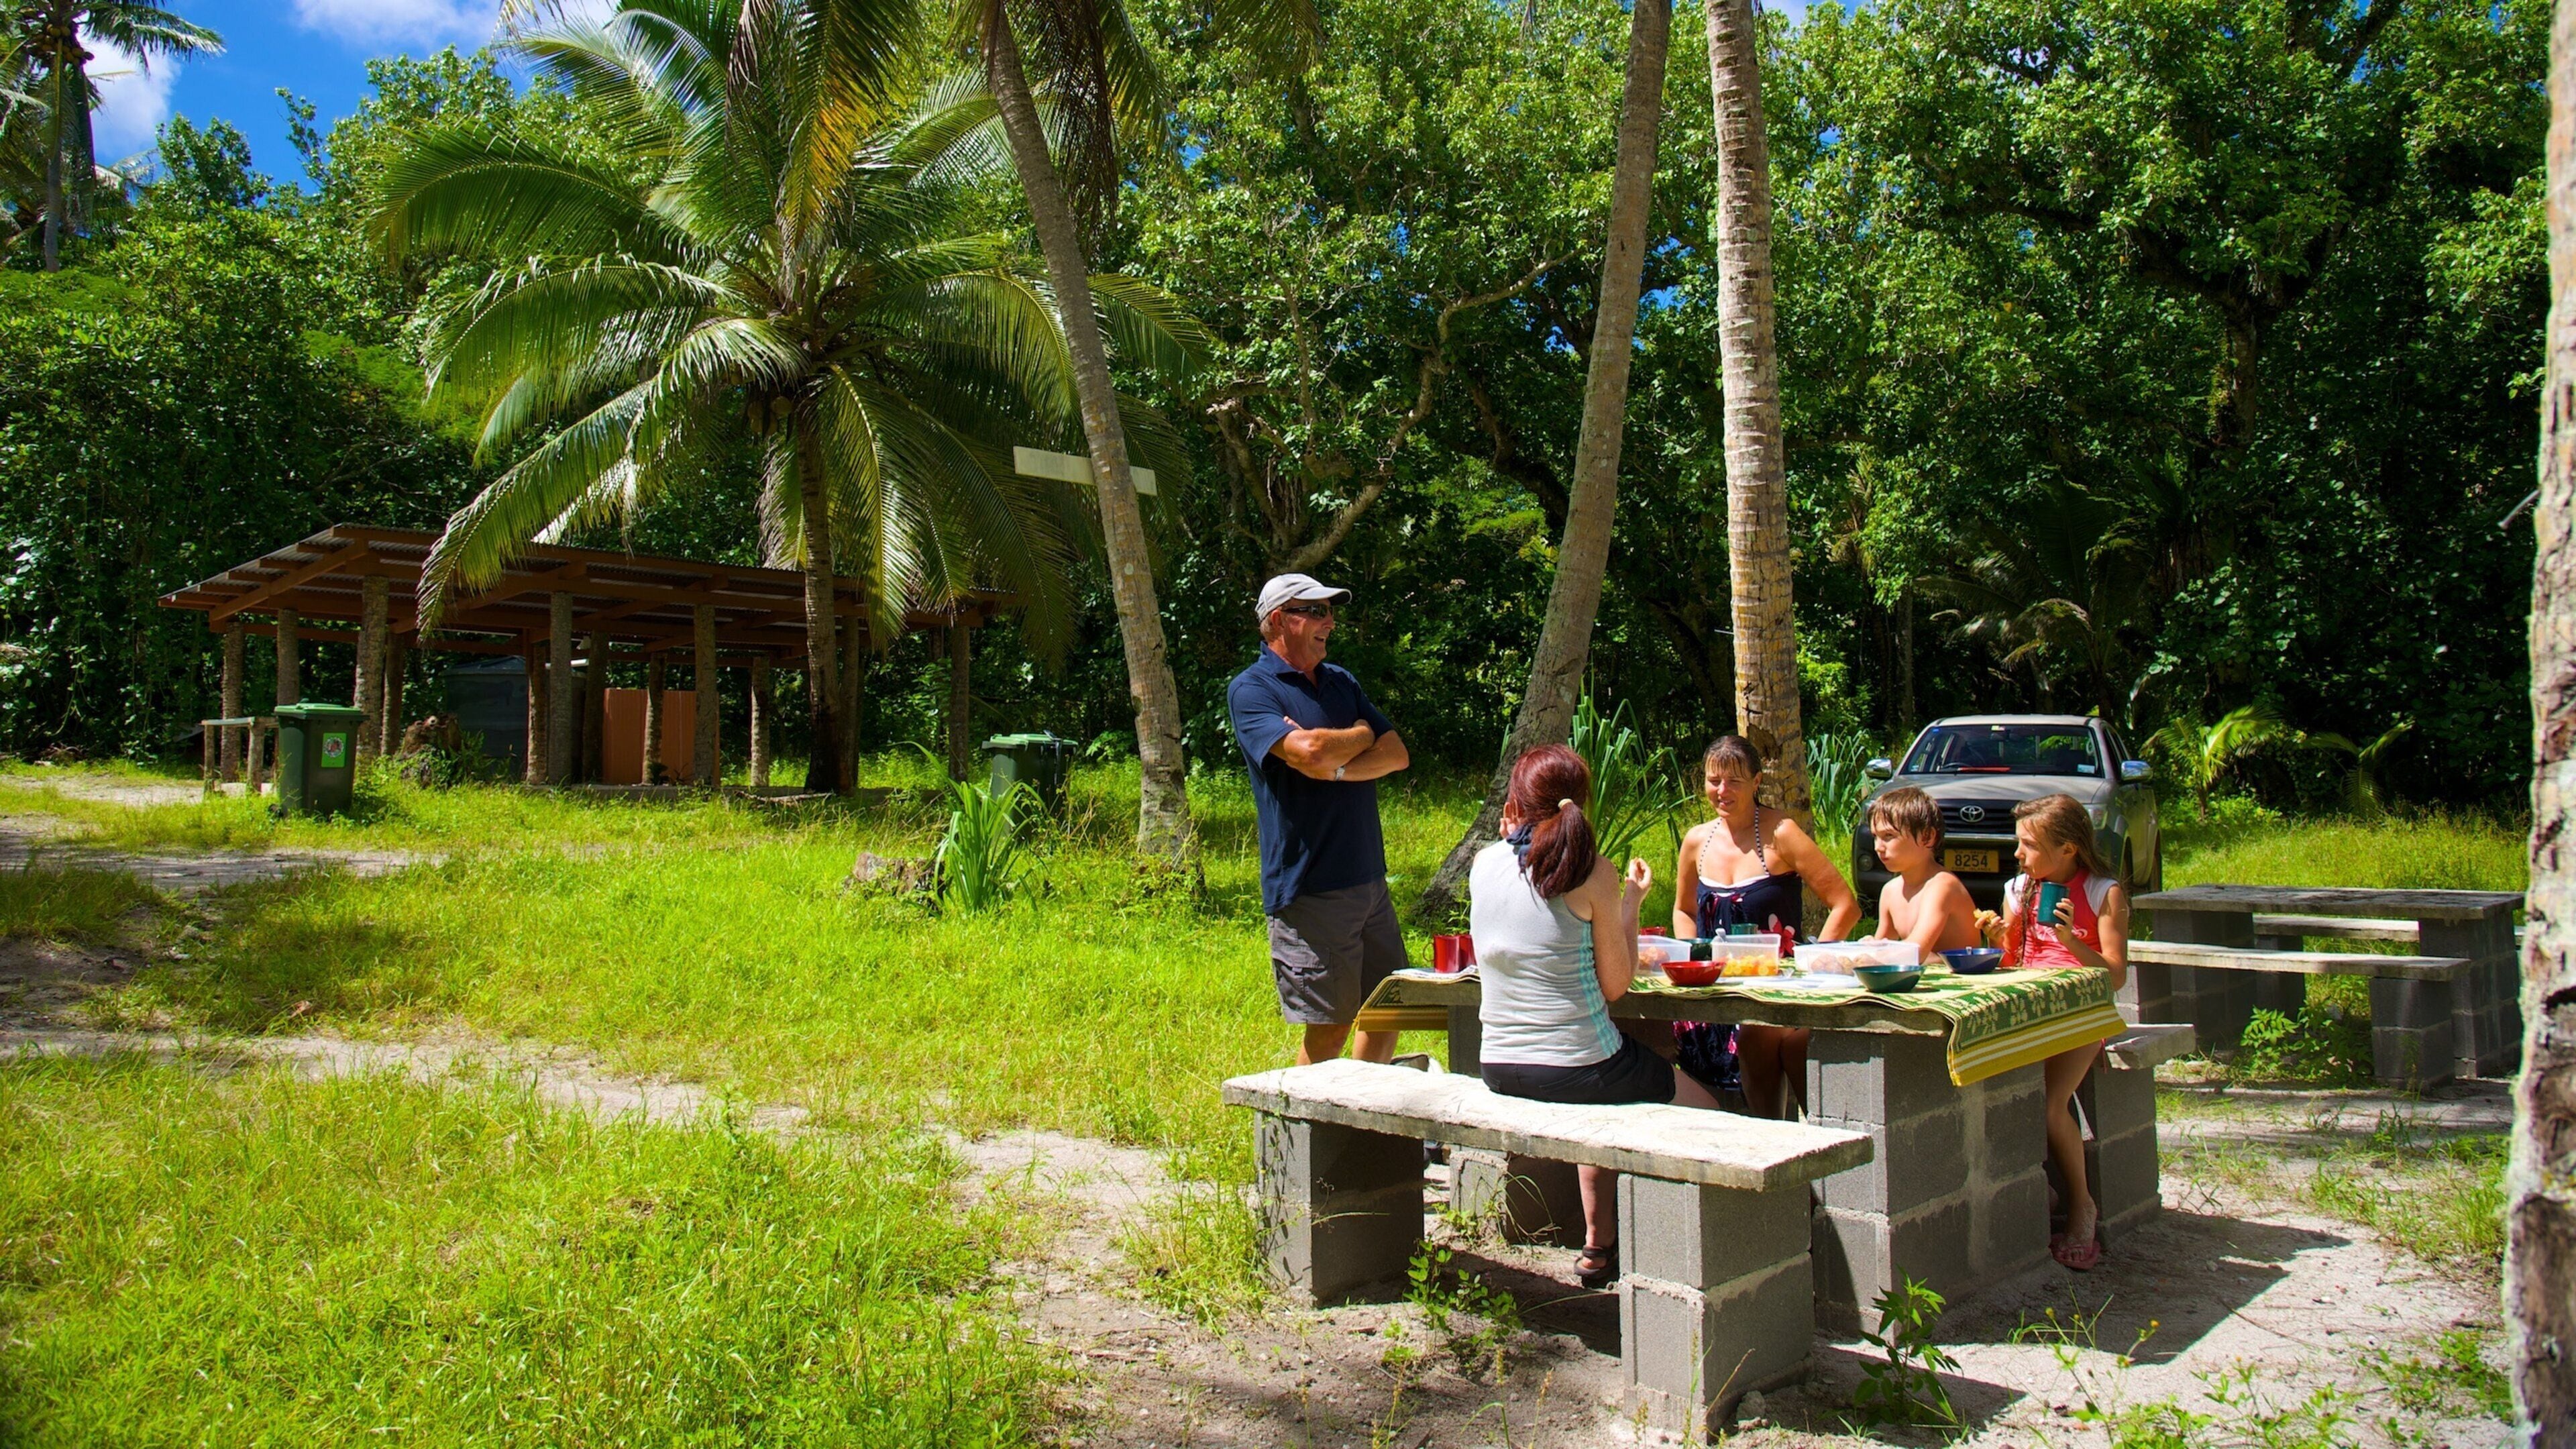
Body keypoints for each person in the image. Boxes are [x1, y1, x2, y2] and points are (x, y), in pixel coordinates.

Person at [1471, 744, 1722, 1289]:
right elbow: (1615, 986)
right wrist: (1630, 903)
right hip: (1579, 1065)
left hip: (1498, 1065)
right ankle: (1697, 1253)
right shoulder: (1592, 872)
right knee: (1710, 1112)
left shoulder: (1484, 864)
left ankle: (1597, 1246)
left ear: (1517, 801)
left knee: (1609, 1103)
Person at [1228, 574, 1412, 1067]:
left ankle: (1363, 1126)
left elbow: (1395, 754)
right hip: (1311, 888)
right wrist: (1355, 735)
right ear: (1276, 621)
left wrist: (1335, 763)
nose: (1328, 621)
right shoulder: (1252, 690)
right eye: (1312, 610)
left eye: (1329, 611)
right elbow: (1307, 751)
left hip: (1369, 879)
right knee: (1329, 1031)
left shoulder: (1341, 681)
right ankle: (1305, 1140)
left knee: (1389, 1010)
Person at [1671, 735, 1862, 1118]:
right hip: (1716, 992)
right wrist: (1694, 955)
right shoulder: (1696, 841)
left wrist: (1812, 965)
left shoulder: (1781, 834)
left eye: (1734, 782)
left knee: (1761, 1053)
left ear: (1757, 782)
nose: (1722, 791)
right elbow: (1684, 910)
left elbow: (1846, 905)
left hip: (1776, 993)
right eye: (1713, 781)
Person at [1981, 792, 2131, 1272]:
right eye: (2018, 844)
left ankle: (2081, 1205)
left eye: (2028, 845)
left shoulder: (2100, 893)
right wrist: (1995, 937)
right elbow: (2013, 960)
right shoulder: (2019, 888)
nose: (2018, 855)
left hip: (2084, 1012)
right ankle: (2036, 1188)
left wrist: (2070, 942)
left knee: (2049, 1102)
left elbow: (2115, 976)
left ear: (2068, 849)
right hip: (2031, 1007)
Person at [1866, 786, 1982, 957]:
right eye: (1875, 836)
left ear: (1927, 837)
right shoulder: (1891, 891)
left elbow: (1916, 952)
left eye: (1889, 836)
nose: (1878, 847)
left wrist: (1878, 950)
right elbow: (1880, 956)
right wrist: (1867, 948)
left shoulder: (1942, 886)